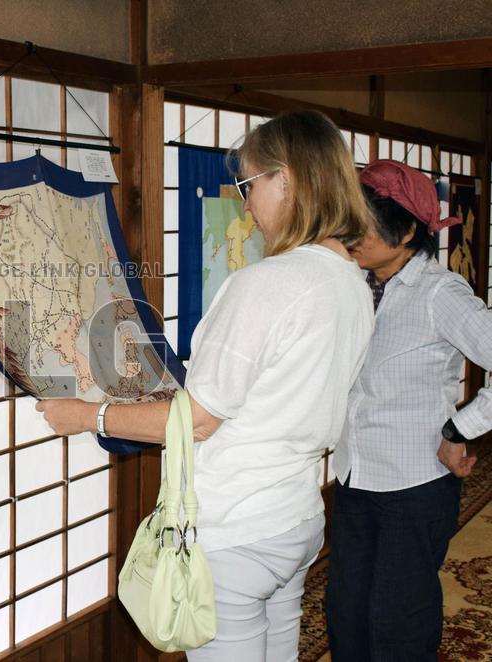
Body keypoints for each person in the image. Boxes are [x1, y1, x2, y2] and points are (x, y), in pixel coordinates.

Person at [37, 110, 375, 660]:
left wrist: (86, 415)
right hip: (296, 516)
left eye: (248, 185)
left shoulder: (267, 283)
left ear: (285, 180)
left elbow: (197, 421)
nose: (246, 205)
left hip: (238, 528)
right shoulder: (352, 281)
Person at [326, 159, 492, 661]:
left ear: (408, 231)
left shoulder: (441, 293)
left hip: (414, 485)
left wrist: (459, 428)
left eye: (366, 223)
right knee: (346, 615)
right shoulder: (354, 285)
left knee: (398, 621)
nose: (352, 234)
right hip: (354, 478)